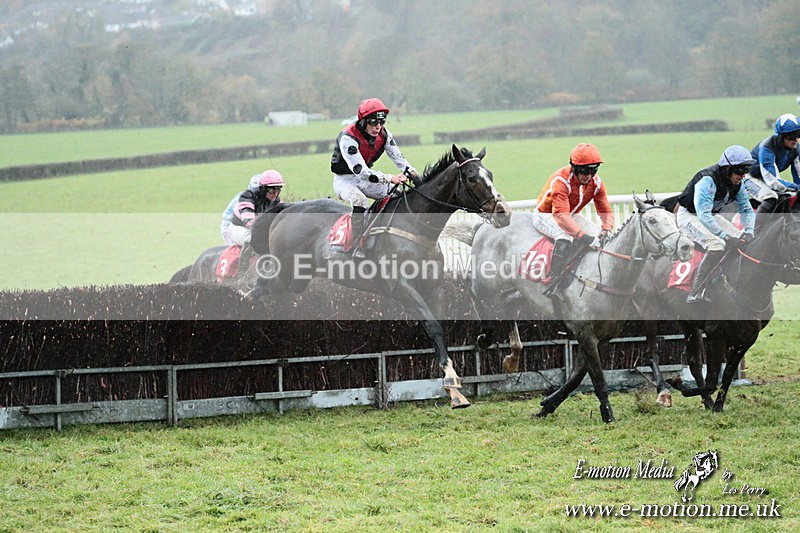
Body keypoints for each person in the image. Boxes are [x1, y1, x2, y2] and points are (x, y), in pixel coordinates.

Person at [331, 97, 418, 258]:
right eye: (373, 122)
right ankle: (356, 245)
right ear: (363, 121)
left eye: (381, 122)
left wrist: (415, 175)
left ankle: (388, 237)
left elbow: (400, 160)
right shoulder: (347, 138)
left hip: (365, 180)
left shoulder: (385, 135)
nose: (378, 127)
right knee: (360, 200)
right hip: (345, 180)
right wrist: (390, 178)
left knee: (396, 196)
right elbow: (362, 172)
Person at [531, 143, 614, 300]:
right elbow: (561, 217)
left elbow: (605, 210)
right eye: (583, 171)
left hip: (570, 214)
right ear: (574, 167)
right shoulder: (561, 181)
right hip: (546, 214)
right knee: (565, 235)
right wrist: (584, 237)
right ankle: (554, 282)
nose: (588, 176)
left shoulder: (597, 183)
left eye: (592, 171)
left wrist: (606, 228)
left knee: (600, 235)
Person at [676, 145, 756, 303]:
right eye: (740, 170)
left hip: (711, 216)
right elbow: (703, 215)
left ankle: (721, 278)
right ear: (727, 169)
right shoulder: (707, 180)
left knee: (743, 242)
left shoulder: (738, 184)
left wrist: (749, 231)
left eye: (745, 170)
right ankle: (695, 291)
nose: (743, 175)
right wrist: (725, 236)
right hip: (690, 216)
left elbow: (746, 209)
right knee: (717, 245)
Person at [742, 113, 800, 227]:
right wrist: (796, 187)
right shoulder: (767, 147)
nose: (795, 140)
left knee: (792, 196)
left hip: (767, 176)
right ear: (781, 136)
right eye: (790, 136)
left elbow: (798, 176)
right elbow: (773, 181)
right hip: (750, 177)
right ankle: (754, 232)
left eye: (798, 135)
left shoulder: (796, 148)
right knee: (770, 197)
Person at [224, 169, 284, 247]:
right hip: (238, 228)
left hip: (257, 230)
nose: (276, 194)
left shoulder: (276, 201)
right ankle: (244, 259)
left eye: (278, 189)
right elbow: (249, 223)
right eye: (272, 189)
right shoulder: (248, 196)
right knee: (253, 239)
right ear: (263, 188)